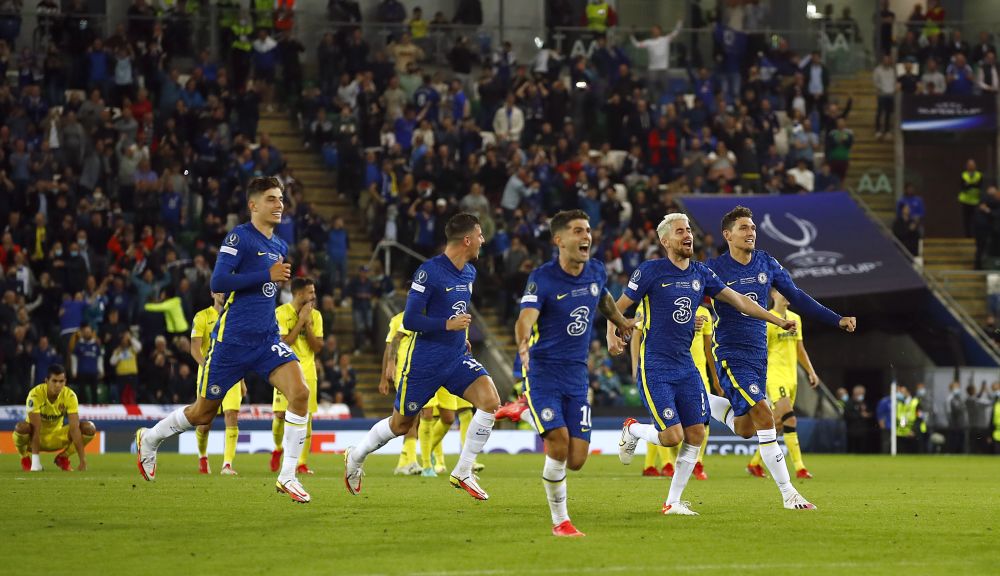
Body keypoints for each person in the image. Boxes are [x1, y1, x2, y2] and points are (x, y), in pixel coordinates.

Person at [135, 176, 313, 503]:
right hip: (231, 342)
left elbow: (267, 290)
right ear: (253, 205)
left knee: (300, 393)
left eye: (281, 199)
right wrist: (266, 275)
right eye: (272, 199)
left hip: (265, 340)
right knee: (203, 414)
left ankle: (287, 476)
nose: (279, 205)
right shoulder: (239, 238)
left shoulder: (279, 245)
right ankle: (150, 438)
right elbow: (218, 280)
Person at [611, 213, 797, 516]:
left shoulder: (701, 273)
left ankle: (672, 502)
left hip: (687, 367)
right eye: (680, 231)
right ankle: (632, 430)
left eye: (689, 231)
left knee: (696, 434)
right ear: (665, 240)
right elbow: (618, 309)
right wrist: (612, 333)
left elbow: (740, 301)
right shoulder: (650, 272)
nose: (688, 236)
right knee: (672, 436)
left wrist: (776, 318)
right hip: (656, 366)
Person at [702, 206, 856, 509]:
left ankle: (696, 397)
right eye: (744, 228)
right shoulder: (713, 269)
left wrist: (835, 319)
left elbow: (797, 296)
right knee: (764, 413)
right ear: (728, 235)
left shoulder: (766, 263)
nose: (751, 233)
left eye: (753, 228)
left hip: (759, 356)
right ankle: (789, 493)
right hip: (730, 354)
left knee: (746, 429)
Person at [492, 210, 634, 536]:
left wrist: (621, 321)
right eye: (578, 231)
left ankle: (527, 412)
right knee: (558, 443)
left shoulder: (596, 271)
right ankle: (561, 522)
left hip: (576, 375)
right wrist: (522, 342)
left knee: (577, 458)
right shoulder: (542, 278)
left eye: (588, 230)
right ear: (559, 240)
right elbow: (525, 318)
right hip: (543, 371)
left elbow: (605, 299)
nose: (586, 237)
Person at [344, 213, 501, 500]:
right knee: (400, 425)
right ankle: (356, 455)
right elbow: (411, 320)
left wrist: (460, 337)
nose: (482, 240)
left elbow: (458, 312)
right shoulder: (429, 272)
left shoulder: (469, 272)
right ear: (466, 240)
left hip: (455, 358)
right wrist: (446, 326)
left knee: (490, 402)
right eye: (479, 235)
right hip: (424, 363)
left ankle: (464, 470)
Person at [745, 289, 820, 479]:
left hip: (791, 377)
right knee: (790, 419)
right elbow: (759, 352)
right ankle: (800, 468)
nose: (786, 295)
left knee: (777, 424)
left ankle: (754, 463)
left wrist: (811, 371)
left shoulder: (796, 318)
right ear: (773, 295)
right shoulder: (768, 321)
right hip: (775, 375)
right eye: (781, 291)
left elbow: (799, 348)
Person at [639, 299, 716, 480]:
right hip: (668, 371)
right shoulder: (664, 304)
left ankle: (697, 462)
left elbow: (708, 349)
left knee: (702, 421)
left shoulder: (704, 313)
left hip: (698, 374)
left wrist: (716, 377)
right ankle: (669, 462)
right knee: (671, 427)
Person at [190, 291, 246, 475]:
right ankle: (203, 456)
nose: (224, 294)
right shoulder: (202, 316)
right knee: (204, 421)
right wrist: (208, 367)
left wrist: (242, 379)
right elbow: (195, 350)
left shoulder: (236, 316)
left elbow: (239, 351)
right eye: (220, 290)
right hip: (209, 374)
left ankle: (227, 464)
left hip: (232, 374)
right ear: (213, 293)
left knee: (232, 414)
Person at [271, 277, 323, 475]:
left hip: (308, 371)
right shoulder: (281, 313)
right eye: (310, 292)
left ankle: (301, 462)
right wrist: (300, 321)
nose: (314, 295)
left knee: (306, 418)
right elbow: (284, 344)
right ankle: (277, 449)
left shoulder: (316, 316)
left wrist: (308, 324)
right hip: (284, 369)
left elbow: (317, 347)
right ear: (299, 293)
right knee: (280, 415)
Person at [13, 365, 96, 472]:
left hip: (56, 438)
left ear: (65, 381)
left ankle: (63, 457)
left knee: (89, 428)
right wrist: (36, 463)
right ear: (46, 381)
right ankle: (25, 458)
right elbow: (36, 429)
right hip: (32, 440)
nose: (58, 385)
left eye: (61, 381)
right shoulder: (35, 394)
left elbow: (74, 429)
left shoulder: (70, 396)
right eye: (54, 381)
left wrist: (82, 460)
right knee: (21, 427)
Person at [380, 310, 422, 476]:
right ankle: (411, 461)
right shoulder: (398, 320)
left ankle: (403, 462)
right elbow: (389, 347)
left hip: (421, 373)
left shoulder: (427, 317)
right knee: (412, 416)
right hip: (404, 372)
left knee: (412, 419)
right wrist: (384, 377)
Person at [630, 21, 682, 104]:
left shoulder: (665, 39)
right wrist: (632, 35)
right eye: (653, 30)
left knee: (665, 88)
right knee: (651, 89)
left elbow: (675, 33)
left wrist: (679, 23)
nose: (654, 31)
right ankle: (653, 104)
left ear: (660, 31)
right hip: (652, 69)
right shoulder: (648, 42)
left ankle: (666, 104)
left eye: (656, 29)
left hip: (663, 68)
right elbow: (637, 44)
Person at [844, 385, 873, 453]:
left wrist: (868, 415)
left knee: (862, 449)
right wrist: (860, 415)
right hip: (852, 430)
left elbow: (871, 413)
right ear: (855, 393)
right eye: (860, 393)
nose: (862, 395)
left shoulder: (865, 403)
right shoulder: (849, 403)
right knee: (852, 449)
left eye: (863, 393)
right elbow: (846, 415)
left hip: (863, 430)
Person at [872, 54, 895, 140]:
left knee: (889, 113)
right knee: (880, 112)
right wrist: (880, 89)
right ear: (882, 60)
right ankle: (878, 131)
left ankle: (887, 131)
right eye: (885, 59)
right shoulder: (877, 70)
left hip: (890, 95)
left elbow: (894, 81)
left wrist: (892, 91)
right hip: (882, 94)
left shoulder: (892, 71)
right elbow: (875, 81)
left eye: (888, 59)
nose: (886, 61)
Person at [959, 158, 983, 238]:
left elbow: (979, 186)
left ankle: (975, 235)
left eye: (972, 164)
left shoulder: (979, 175)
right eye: (969, 165)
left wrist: (969, 184)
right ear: (967, 166)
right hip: (965, 201)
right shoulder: (963, 175)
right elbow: (963, 187)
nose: (971, 166)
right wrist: (973, 184)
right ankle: (967, 236)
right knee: (966, 220)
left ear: (975, 166)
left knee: (976, 220)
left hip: (975, 201)